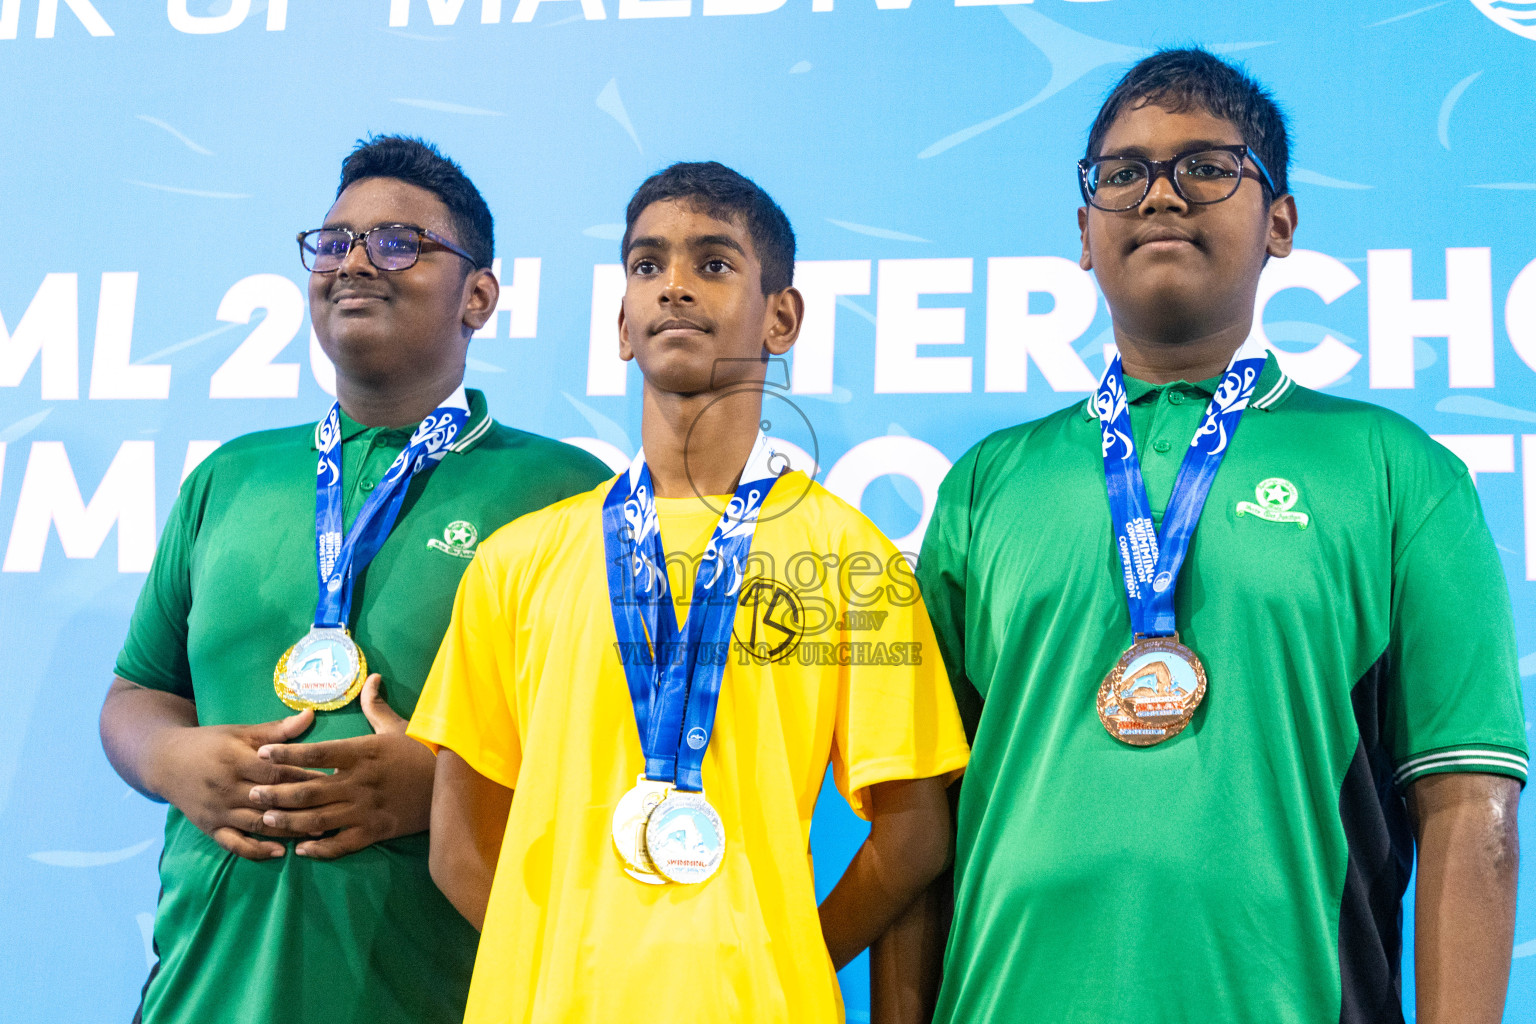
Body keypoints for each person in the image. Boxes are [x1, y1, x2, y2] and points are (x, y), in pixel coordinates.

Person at [919, 49, 1526, 1024]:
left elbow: (1473, 811)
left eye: (1207, 166)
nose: (1161, 194)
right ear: (1084, 231)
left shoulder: (1397, 471)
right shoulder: (987, 485)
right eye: (1124, 174)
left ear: (1280, 221)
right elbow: (922, 819)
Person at [409, 161, 969, 1024]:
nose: (673, 287)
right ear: (621, 325)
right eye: (647, 265)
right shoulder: (518, 561)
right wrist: (550, 957)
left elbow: (913, 833)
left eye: (713, 263)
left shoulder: (849, 559)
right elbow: (458, 843)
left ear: (781, 317)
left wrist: (775, 961)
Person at [99, 135, 611, 1024]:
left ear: (478, 297)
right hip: (207, 988)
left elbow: (618, 740)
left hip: (444, 985)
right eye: (334, 243)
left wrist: (454, 784)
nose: (355, 264)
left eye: (400, 243)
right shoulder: (229, 478)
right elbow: (137, 690)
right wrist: (174, 758)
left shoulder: (568, 493)